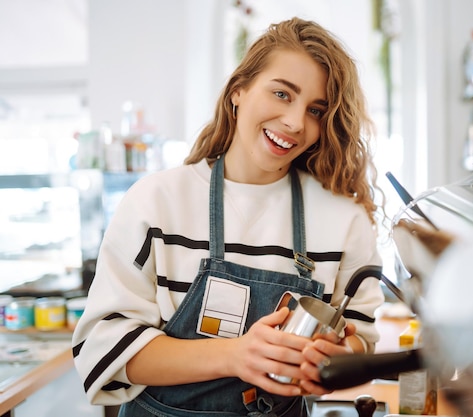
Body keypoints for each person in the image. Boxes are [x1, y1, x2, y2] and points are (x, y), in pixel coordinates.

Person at [72, 16, 385, 417]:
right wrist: (236, 356)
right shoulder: (156, 203)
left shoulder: (345, 221)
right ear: (238, 91)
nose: (294, 122)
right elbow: (102, 347)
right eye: (282, 94)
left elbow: (363, 340)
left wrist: (334, 357)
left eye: (316, 110)